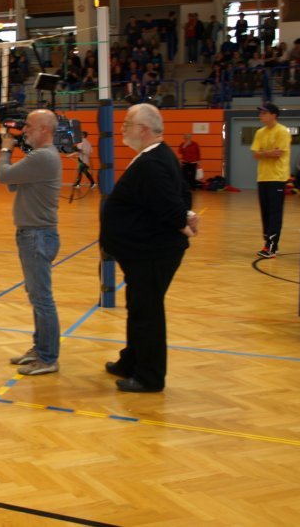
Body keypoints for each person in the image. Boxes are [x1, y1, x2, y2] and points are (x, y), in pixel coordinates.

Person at [99, 104, 197, 393]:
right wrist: (186, 216)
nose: (122, 128)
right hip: (143, 252)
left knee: (147, 312)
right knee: (139, 307)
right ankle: (131, 361)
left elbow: (171, 206)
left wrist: (184, 222)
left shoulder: (153, 162)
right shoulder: (156, 155)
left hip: (152, 253)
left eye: (127, 123)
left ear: (143, 129)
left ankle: (149, 377)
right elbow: (181, 194)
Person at [0, 109, 62, 376]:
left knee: (42, 299)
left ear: (44, 129)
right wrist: (15, 154)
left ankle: (48, 358)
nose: (24, 131)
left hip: (37, 235)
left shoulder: (44, 156)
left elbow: (3, 176)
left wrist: (5, 150)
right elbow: (13, 184)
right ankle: (41, 349)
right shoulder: (39, 156)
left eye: (29, 126)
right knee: (37, 297)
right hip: (33, 234)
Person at [251, 103, 290, 259]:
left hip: (277, 178)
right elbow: (255, 154)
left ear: (274, 115)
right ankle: (269, 244)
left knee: (275, 213)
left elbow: (278, 154)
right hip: (263, 177)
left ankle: (271, 247)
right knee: (265, 212)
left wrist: (263, 153)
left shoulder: (282, 131)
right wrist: (268, 153)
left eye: (264, 113)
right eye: (260, 113)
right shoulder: (259, 132)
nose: (261, 115)